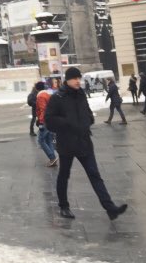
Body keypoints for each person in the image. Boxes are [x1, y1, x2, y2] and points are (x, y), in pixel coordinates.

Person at [45, 67, 128, 221]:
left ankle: (110, 208)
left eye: (79, 78)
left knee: (95, 175)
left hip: (84, 142)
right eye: (75, 78)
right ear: (67, 80)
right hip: (67, 144)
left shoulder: (81, 94)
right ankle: (64, 206)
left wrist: (89, 120)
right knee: (64, 175)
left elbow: (87, 112)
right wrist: (68, 123)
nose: (78, 81)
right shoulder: (58, 97)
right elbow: (49, 121)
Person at [35, 80, 58, 167]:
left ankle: (52, 157)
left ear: (37, 89)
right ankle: (53, 159)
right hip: (50, 120)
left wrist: (41, 122)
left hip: (45, 121)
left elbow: (42, 110)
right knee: (48, 140)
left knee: (41, 140)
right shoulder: (48, 95)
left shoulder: (40, 96)